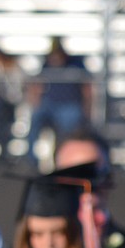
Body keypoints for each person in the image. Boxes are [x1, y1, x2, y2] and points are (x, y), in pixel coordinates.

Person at [26, 37, 92, 167]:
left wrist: (88, 108)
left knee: (68, 128)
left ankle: (63, 160)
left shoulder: (75, 65)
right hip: (48, 105)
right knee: (34, 122)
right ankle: (31, 162)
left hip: (69, 105)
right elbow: (36, 86)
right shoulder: (45, 65)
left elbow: (87, 88)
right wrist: (35, 103)